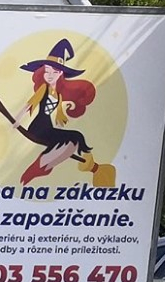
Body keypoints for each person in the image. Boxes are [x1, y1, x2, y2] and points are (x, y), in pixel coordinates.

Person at [9, 40, 115, 188]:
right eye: (47, 71)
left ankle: (45, 165)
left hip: (48, 128)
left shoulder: (58, 95)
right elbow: (30, 104)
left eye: (54, 72)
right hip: (39, 127)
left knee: (75, 137)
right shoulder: (44, 89)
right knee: (71, 139)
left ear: (60, 73)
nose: (49, 75)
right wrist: (17, 120)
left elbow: (59, 117)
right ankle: (42, 165)